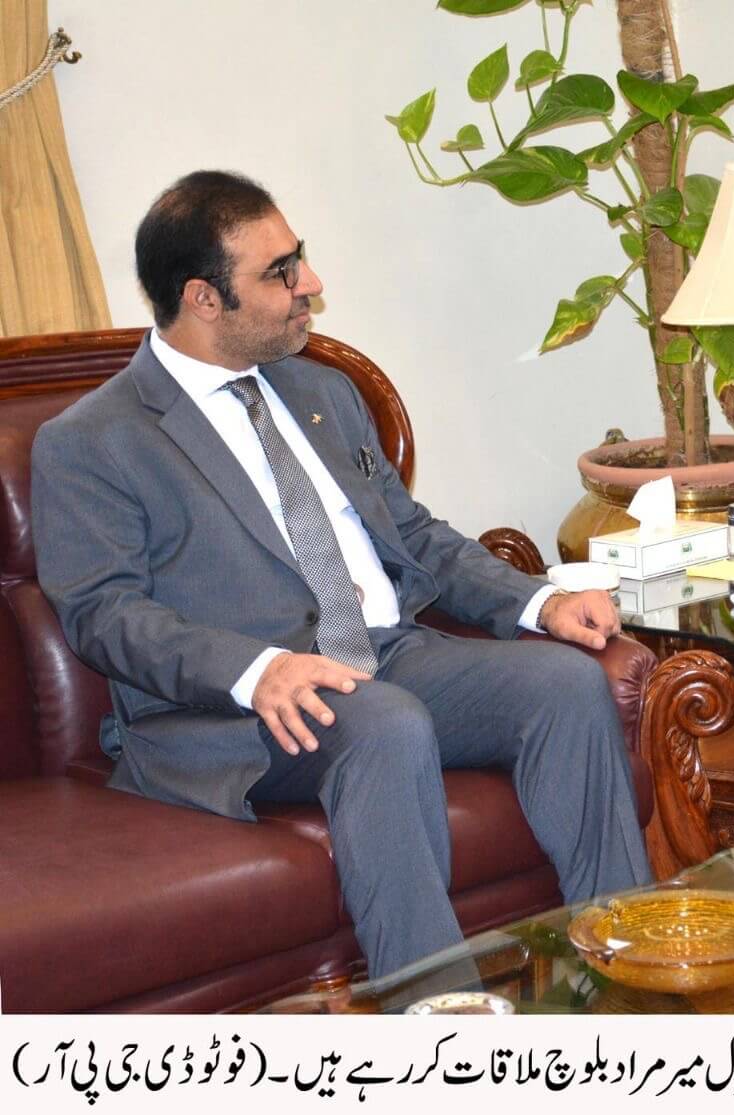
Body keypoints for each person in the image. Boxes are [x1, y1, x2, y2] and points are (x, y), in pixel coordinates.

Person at [30, 170, 653, 978]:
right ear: (203, 299)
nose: (311, 284)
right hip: (237, 708)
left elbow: (412, 534)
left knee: (565, 685)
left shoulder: (322, 390)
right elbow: (103, 613)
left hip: (387, 655)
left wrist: (540, 601)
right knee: (382, 723)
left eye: (301, 258)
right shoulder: (93, 440)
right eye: (281, 272)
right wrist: (259, 670)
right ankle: (439, 1014)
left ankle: (630, 970)